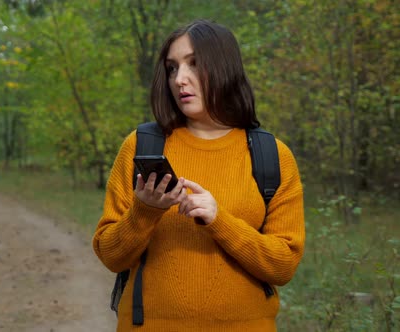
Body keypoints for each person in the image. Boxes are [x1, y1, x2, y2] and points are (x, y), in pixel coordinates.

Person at [92, 19, 305, 331]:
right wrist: (145, 210)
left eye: (193, 64)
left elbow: (283, 265)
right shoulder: (141, 146)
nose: (180, 79)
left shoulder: (272, 155)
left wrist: (219, 221)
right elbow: (111, 256)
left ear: (224, 67)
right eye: (172, 68)